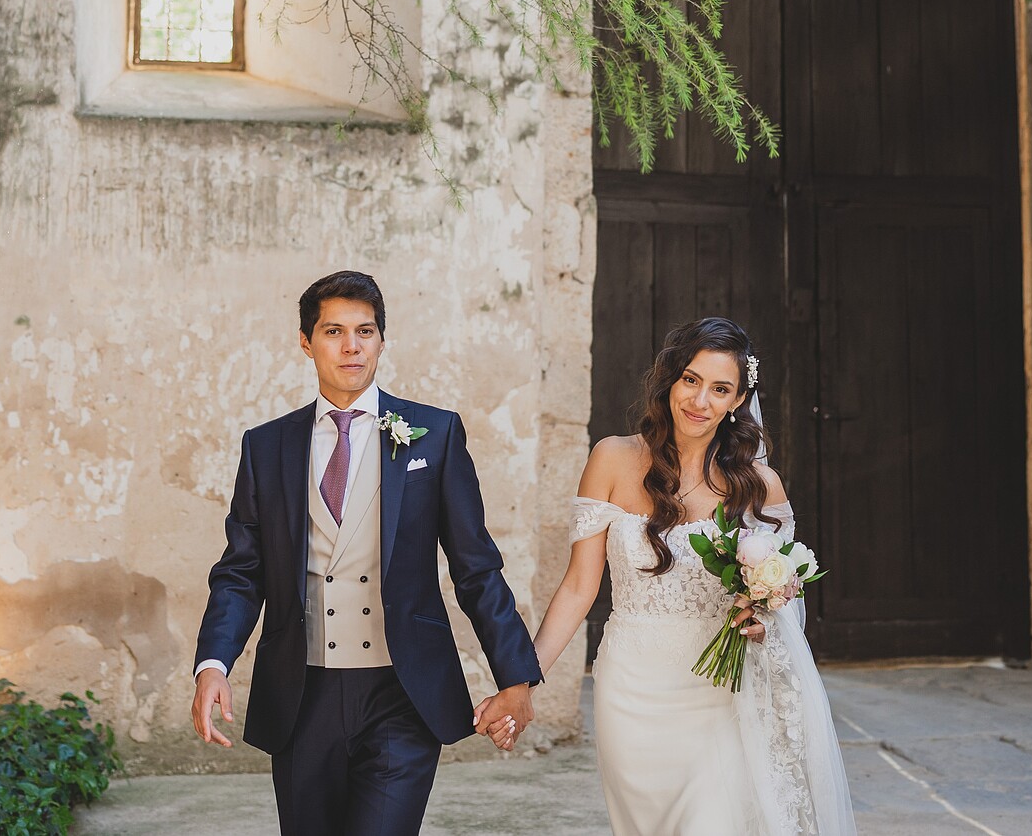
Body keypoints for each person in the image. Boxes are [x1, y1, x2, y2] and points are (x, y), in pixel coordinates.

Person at [191, 270, 542, 836]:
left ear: (382, 339)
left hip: (401, 693)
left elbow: (476, 568)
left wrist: (517, 678)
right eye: (334, 331)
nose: (351, 346)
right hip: (303, 693)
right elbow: (240, 572)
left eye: (366, 331)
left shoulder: (436, 433)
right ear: (306, 342)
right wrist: (214, 663)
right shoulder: (267, 446)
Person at [480, 317, 855, 835]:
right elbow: (578, 587)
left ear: (738, 400)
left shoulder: (758, 485)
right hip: (631, 690)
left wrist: (763, 620)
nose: (700, 400)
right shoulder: (612, 458)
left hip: (720, 691)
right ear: (670, 379)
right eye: (691, 380)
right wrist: (522, 680)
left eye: (720, 388)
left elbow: (784, 597)